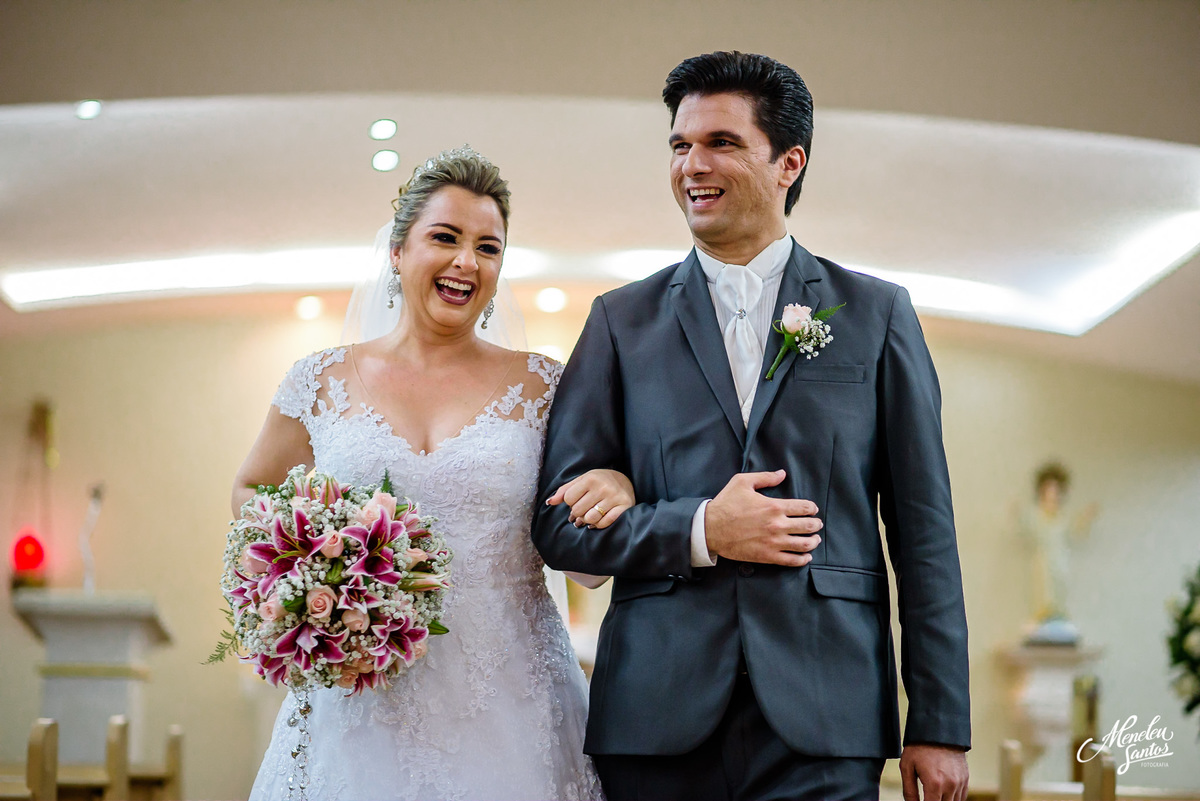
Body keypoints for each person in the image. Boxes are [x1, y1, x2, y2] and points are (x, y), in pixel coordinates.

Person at [533, 51, 971, 801]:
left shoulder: (876, 315)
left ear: (788, 163)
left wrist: (939, 720)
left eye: (721, 143)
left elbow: (924, 532)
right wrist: (701, 528)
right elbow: (560, 529)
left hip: (826, 717)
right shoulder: (618, 322)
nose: (691, 165)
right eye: (679, 145)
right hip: (655, 718)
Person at [232, 146, 625, 801]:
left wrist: (618, 488)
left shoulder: (544, 386)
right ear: (397, 250)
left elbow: (586, 528)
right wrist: (304, 586)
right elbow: (253, 488)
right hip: (360, 701)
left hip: (513, 704)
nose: (466, 261)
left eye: (488, 247)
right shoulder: (319, 379)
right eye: (445, 237)